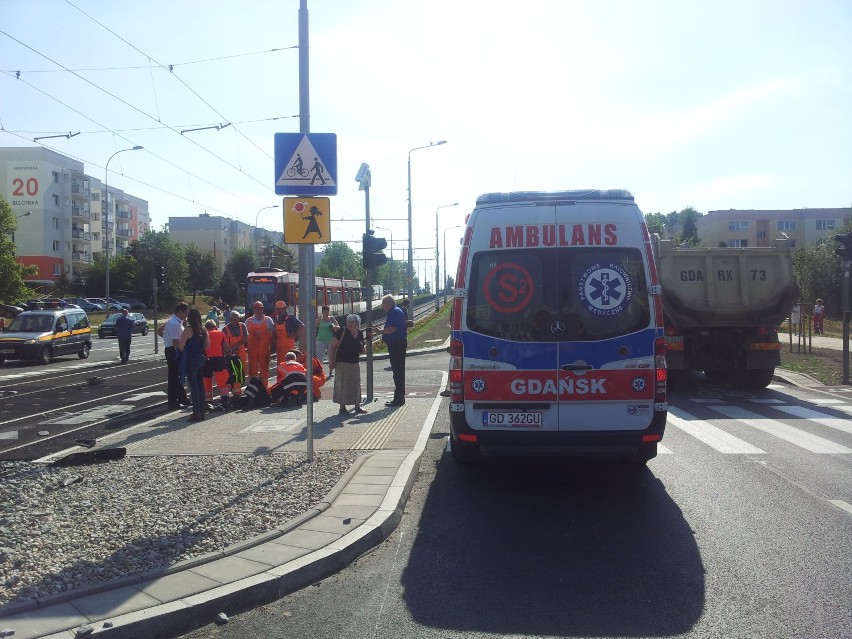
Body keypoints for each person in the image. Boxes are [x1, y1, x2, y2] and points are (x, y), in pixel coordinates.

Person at [328, 314, 366, 415]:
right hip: (342, 362)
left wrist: (363, 349)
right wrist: (331, 362)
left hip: (354, 362)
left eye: (352, 322)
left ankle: (357, 406)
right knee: (343, 384)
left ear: (357, 324)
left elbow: (362, 347)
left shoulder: (360, 333)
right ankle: (342, 407)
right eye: (348, 321)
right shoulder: (342, 331)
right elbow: (332, 346)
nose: (349, 324)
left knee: (356, 384)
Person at [179, 308, 210, 422]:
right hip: (201, 359)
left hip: (191, 360)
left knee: (193, 387)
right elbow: (207, 346)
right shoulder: (203, 329)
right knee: (201, 386)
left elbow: (181, 347)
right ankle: (202, 411)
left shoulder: (188, 330)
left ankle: (196, 412)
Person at [375, 294, 407, 406]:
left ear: (388, 303)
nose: (383, 307)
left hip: (397, 344)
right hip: (396, 344)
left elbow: (392, 328)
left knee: (397, 372)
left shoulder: (395, 312)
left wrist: (381, 331)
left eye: (383, 304)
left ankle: (399, 399)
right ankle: (399, 398)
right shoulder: (395, 311)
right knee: (397, 371)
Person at [158, 302, 190, 409]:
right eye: (186, 312)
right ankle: (173, 402)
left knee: (175, 377)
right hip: (174, 351)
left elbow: (159, 331)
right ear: (180, 311)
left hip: (171, 349)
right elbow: (176, 342)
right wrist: (180, 355)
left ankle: (182, 398)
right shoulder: (175, 324)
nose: (187, 315)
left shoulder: (174, 321)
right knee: (174, 377)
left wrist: (167, 338)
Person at [246, 301, 275, 387]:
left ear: (262, 309)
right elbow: (244, 334)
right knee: (252, 370)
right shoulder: (248, 321)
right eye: (256, 308)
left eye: (260, 308)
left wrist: (273, 346)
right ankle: (252, 388)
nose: (258, 310)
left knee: (264, 370)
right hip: (252, 350)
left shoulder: (268, 320)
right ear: (253, 310)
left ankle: (264, 388)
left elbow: (273, 333)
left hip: (264, 350)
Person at [203, 319, 231, 410]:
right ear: (215, 326)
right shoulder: (220, 334)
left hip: (206, 359)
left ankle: (207, 401)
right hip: (218, 359)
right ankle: (225, 400)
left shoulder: (203, 335)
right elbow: (226, 347)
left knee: (207, 380)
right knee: (222, 380)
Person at [222, 311, 248, 396]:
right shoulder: (225, 329)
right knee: (232, 372)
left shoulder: (242, 326)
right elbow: (223, 342)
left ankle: (237, 390)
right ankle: (234, 391)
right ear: (230, 319)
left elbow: (245, 338)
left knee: (241, 371)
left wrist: (235, 346)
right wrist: (229, 350)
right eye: (234, 320)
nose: (236, 322)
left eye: (237, 319)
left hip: (241, 353)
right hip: (230, 355)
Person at [273, 301, 305, 366]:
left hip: (289, 348)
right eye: (277, 309)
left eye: (280, 309)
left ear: (285, 308)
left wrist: (294, 335)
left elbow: (302, 326)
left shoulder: (290, 318)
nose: (278, 311)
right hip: (279, 349)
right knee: (280, 365)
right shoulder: (276, 319)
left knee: (289, 364)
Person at [315, 305, 339, 371]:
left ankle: (330, 371)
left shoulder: (331, 318)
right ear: (322, 312)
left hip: (330, 340)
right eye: (325, 312)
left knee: (331, 357)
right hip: (320, 340)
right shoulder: (320, 319)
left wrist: (334, 327)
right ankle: (320, 372)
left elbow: (338, 327)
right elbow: (314, 327)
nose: (326, 313)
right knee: (319, 357)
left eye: (327, 312)